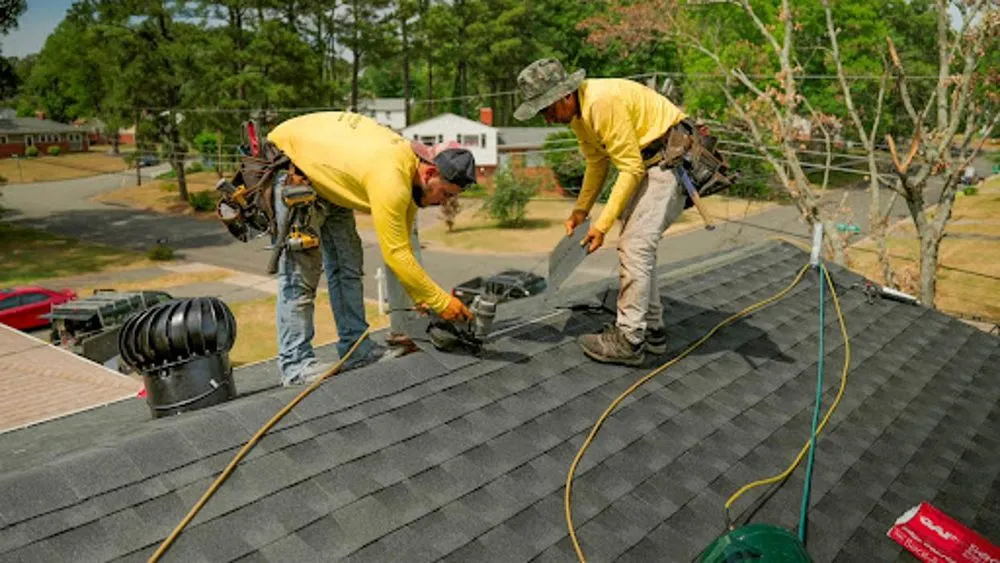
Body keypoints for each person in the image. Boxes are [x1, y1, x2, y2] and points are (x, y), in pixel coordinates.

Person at [265, 112, 475, 386]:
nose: (443, 202)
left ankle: (356, 350)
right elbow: (395, 254)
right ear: (431, 172)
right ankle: (295, 365)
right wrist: (441, 302)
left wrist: (423, 300)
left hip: (330, 179)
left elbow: (405, 254)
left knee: (347, 265)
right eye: (445, 193)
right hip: (292, 167)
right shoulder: (393, 178)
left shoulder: (412, 179)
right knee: (301, 274)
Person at [513, 58, 688, 367]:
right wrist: (581, 211)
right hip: (650, 160)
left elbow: (630, 167)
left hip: (671, 158)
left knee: (635, 245)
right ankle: (653, 329)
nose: (548, 119)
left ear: (564, 95)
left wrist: (602, 225)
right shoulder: (579, 116)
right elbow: (597, 162)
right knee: (638, 247)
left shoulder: (600, 102)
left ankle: (631, 340)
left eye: (548, 110)